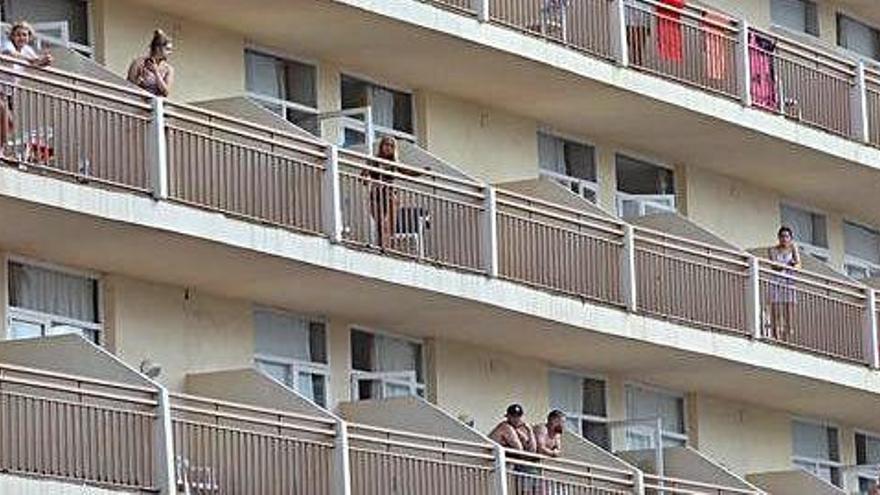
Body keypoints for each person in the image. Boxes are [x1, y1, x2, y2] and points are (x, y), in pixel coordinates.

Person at [0, 21, 53, 159]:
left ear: (29, 37)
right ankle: (2, 151)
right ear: (12, 36)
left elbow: (36, 62)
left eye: (25, 35)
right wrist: (34, 60)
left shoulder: (27, 50)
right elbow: (12, 54)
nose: (21, 38)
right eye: (18, 35)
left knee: (9, 123)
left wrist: (45, 61)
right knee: (6, 118)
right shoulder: (7, 45)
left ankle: (1, 150)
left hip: (8, 92)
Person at [490, 404, 539, 494]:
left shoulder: (517, 429)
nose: (516, 419)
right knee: (526, 467)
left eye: (518, 416)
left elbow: (532, 451)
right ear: (508, 416)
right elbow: (520, 451)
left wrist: (529, 430)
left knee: (532, 468)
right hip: (491, 464)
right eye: (513, 416)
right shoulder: (505, 427)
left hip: (503, 466)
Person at [768, 226, 801, 341]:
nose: (784, 239)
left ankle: (787, 339)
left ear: (790, 238)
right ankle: (776, 336)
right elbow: (774, 266)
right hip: (777, 281)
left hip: (789, 282)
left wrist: (794, 265)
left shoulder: (793, 248)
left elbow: (798, 264)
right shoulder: (773, 250)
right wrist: (788, 265)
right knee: (776, 310)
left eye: (787, 236)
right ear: (778, 238)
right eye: (782, 236)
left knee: (789, 310)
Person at [127, 30, 174, 97]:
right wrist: (138, 81)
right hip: (137, 99)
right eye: (167, 49)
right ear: (158, 48)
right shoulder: (138, 63)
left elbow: (166, 92)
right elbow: (128, 85)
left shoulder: (168, 69)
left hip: (156, 101)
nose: (170, 52)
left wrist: (156, 72)